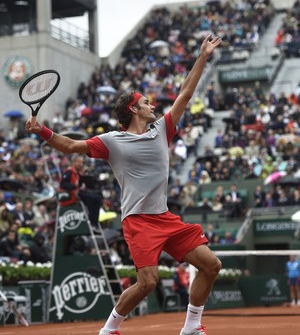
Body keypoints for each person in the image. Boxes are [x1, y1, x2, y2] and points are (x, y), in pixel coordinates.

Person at [26, 34, 222, 335]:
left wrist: (202, 56)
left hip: (165, 217)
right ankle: (108, 330)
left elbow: (185, 93)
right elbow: (68, 146)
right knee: (148, 282)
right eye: (145, 102)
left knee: (211, 265)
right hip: (138, 222)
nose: (151, 104)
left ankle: (191, 327)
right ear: (133, 110)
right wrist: (42, 130)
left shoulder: (162, 130)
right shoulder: (111, 142)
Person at [58, 154, 102, 230]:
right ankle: (92, 222)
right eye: (79, 162)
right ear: (73, 162)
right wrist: (74, 186)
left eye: (82, 162)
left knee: (97, 198)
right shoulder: (68, 172)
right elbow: (63, 184)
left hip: (80, 193)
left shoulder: (78, 173)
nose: (81, 164)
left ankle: (94, 222)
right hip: (73, 195)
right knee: (92, 199)